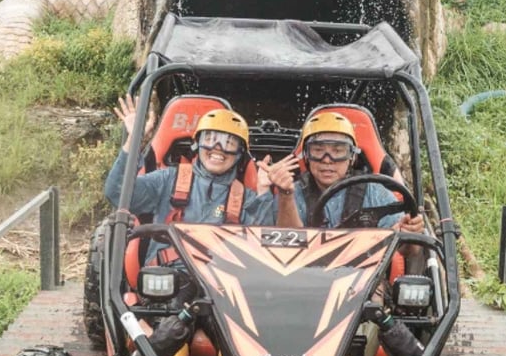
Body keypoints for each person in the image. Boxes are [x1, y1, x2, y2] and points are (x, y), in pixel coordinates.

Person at [105, 94, 299, 260]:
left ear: (240, 153)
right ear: (197, 144)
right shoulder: (167, 180)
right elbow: (117, 193)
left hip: (222, 283)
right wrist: (135, 138)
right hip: (167, 280)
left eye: (228, 143)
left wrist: (264, 191)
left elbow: (266, 249)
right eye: (210, 139)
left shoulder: (247, 198)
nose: (218, 149)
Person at [289, 110, 424, 234]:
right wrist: (282, 195)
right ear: (306, 156)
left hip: (371, 260)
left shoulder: (374, 192)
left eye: (338, 151)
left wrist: (410, 231)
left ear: (352, 157)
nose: (327, 160)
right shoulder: (290, 194)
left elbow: (407, 248)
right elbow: (280, 244)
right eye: (318, 150)